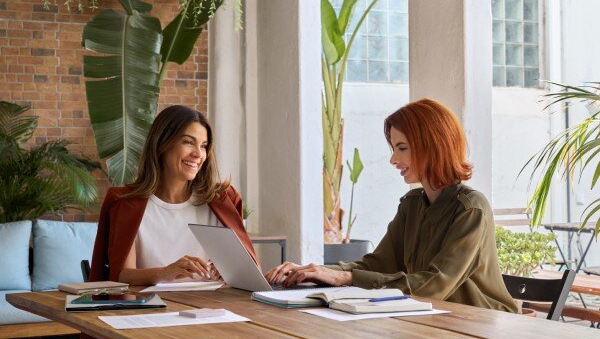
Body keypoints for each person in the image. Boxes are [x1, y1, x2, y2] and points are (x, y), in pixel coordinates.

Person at [266, 98, 517, 313]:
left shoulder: (470, 208)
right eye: (394, 148)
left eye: (402, 148)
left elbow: (434, 285)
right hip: (432, 320)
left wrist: (345, 277)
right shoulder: (412, 204)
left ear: (433, 146)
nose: (393, 159)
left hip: (483, 324)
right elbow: (376, 265)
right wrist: (316, 271)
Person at [88, 105, 257, 285]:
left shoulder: (223, 199)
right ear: (162, 143)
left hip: (217, 309)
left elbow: (249, 274)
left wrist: (229, 271)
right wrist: (165, 273)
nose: (198, 154)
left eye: (204, 146)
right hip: (153, 308)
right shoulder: (126, 203)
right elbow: (121, 275)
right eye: (188, 142)